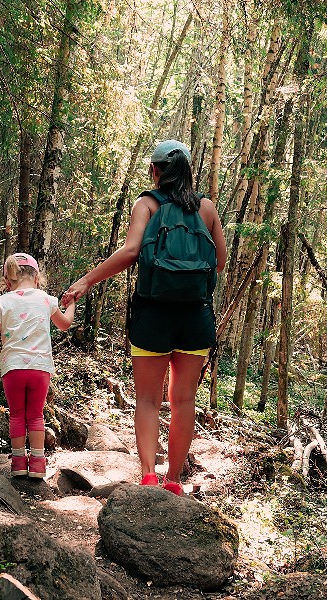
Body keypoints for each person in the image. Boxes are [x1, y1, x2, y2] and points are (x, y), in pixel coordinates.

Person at [62, 140, 226, 495]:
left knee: (148, 400)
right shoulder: (207, 208)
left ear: (155, 171)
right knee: (184, 401)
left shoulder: (146, 204)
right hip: (195, 317)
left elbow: (132, 250)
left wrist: (86, 281)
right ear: (188, 171)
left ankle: (149, 475)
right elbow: (219, 262)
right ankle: (174, 481)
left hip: (153, 314)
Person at [0, 252, 77, 479]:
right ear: (37, 278)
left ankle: (18, 463)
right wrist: (72, 304)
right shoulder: (46, 299)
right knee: (36, 414)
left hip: (13, 368)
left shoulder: (2, 301)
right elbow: (64, 324)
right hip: (40, 368)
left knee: (16, 414)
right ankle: (37, 464)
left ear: (7, 282)